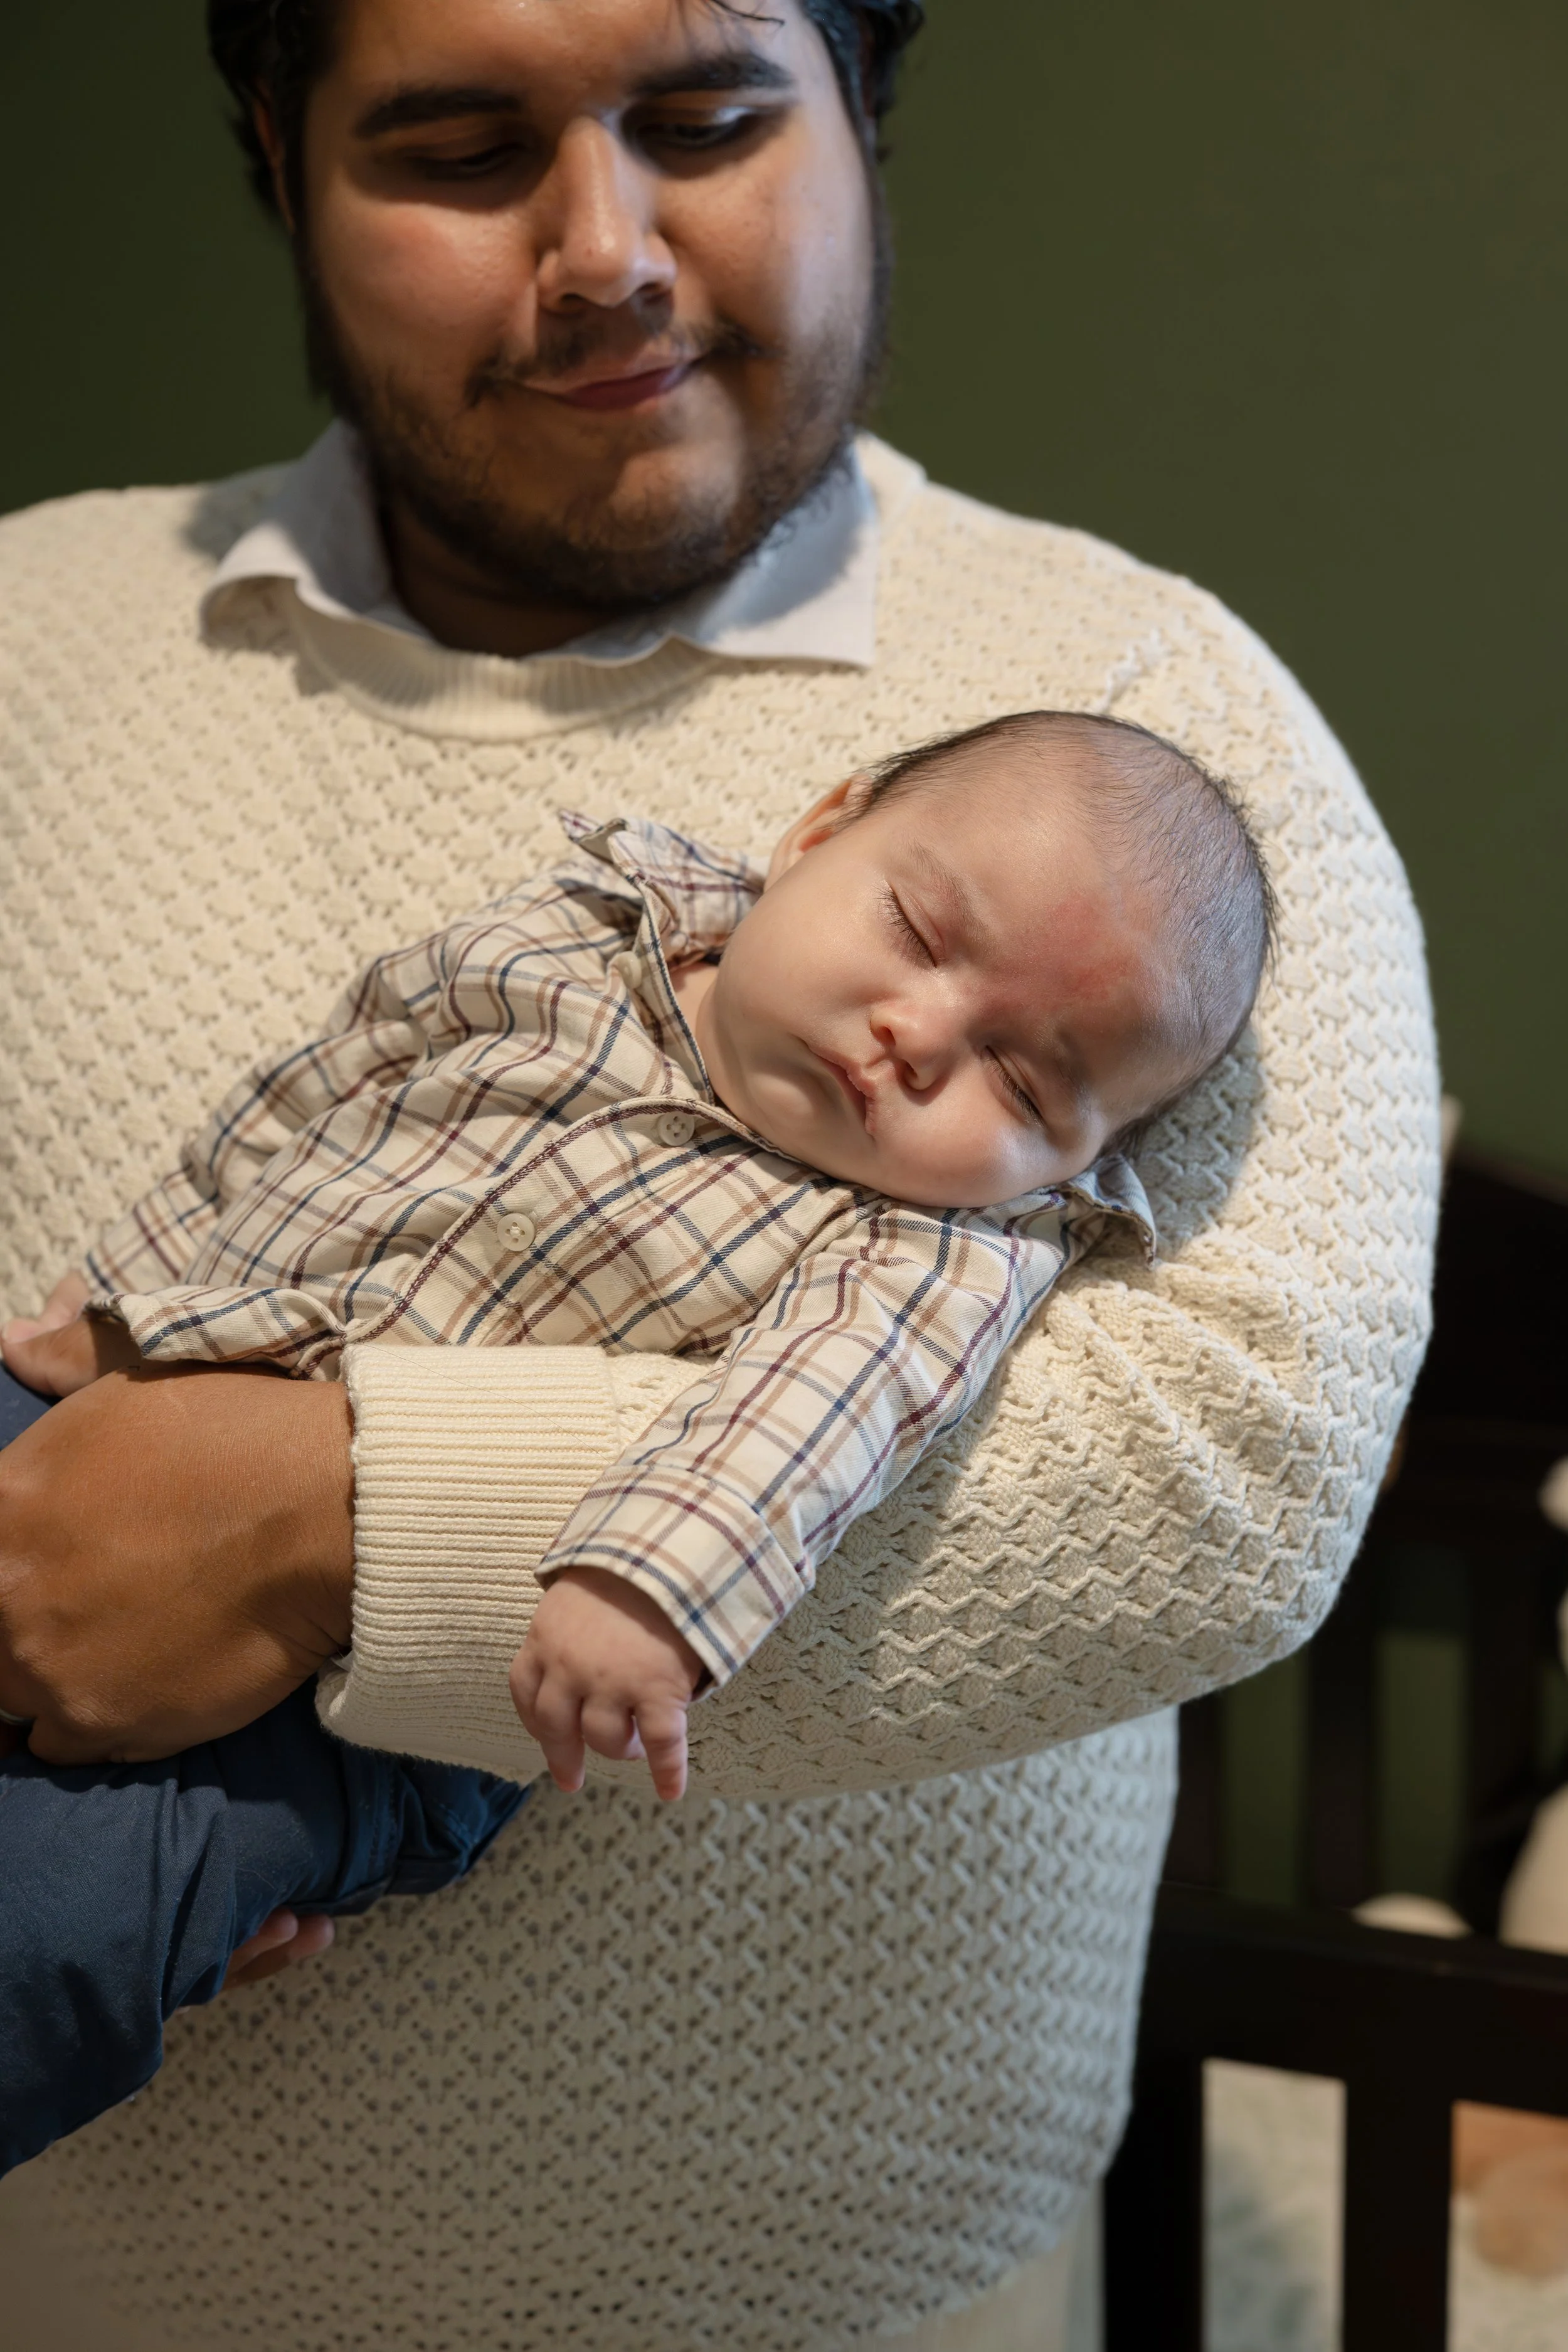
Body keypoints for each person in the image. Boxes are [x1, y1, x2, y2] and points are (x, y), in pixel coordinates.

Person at [0, 0, 1438, 2344]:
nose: (605, 250)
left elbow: (1232, 1464)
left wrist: (315, 1518)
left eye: (706, 120)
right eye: (462, 145)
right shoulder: (28, 642)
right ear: (281, 161)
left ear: (861, 120)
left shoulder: (1157, 719)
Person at [0, 710, 1274, 2176]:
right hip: (99, 1405)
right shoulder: (561, 944)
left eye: (1025, 1084)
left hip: (350, 1713)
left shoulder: (925, 1244)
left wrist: (640, 1589)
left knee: (48, 1938)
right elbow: (310, 1093)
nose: (915, 1041)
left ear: (1075, 1163)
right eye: (918, 932)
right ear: (816, 831)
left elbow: (814, 1415)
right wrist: (124, 1293)